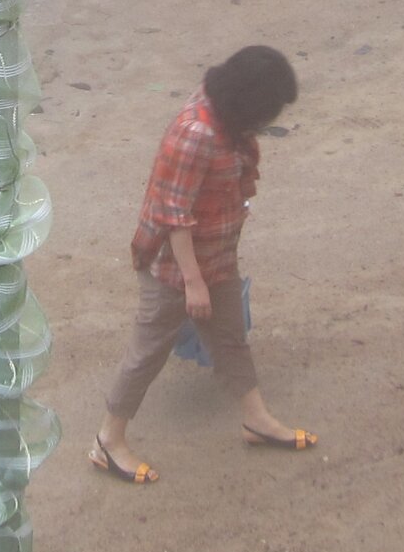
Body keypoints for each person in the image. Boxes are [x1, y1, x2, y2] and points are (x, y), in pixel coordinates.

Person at [92, 45, 315, 483]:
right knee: (148, 352)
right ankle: (106, 440)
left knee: (229, 338)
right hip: (175, 268)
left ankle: (257, 419)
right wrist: (193, 282)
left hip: (215, 255)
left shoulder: (222, 115)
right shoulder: (196, 134)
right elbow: (173, 214)